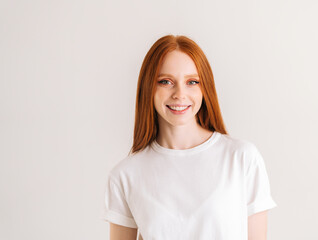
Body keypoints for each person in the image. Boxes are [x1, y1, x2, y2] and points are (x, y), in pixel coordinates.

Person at [102, 35, 277, 240]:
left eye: (192, 82)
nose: (180, 94)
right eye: (165, 81)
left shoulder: (242, 159)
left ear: (205, 88)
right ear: (148, 87)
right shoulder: (124, 176)